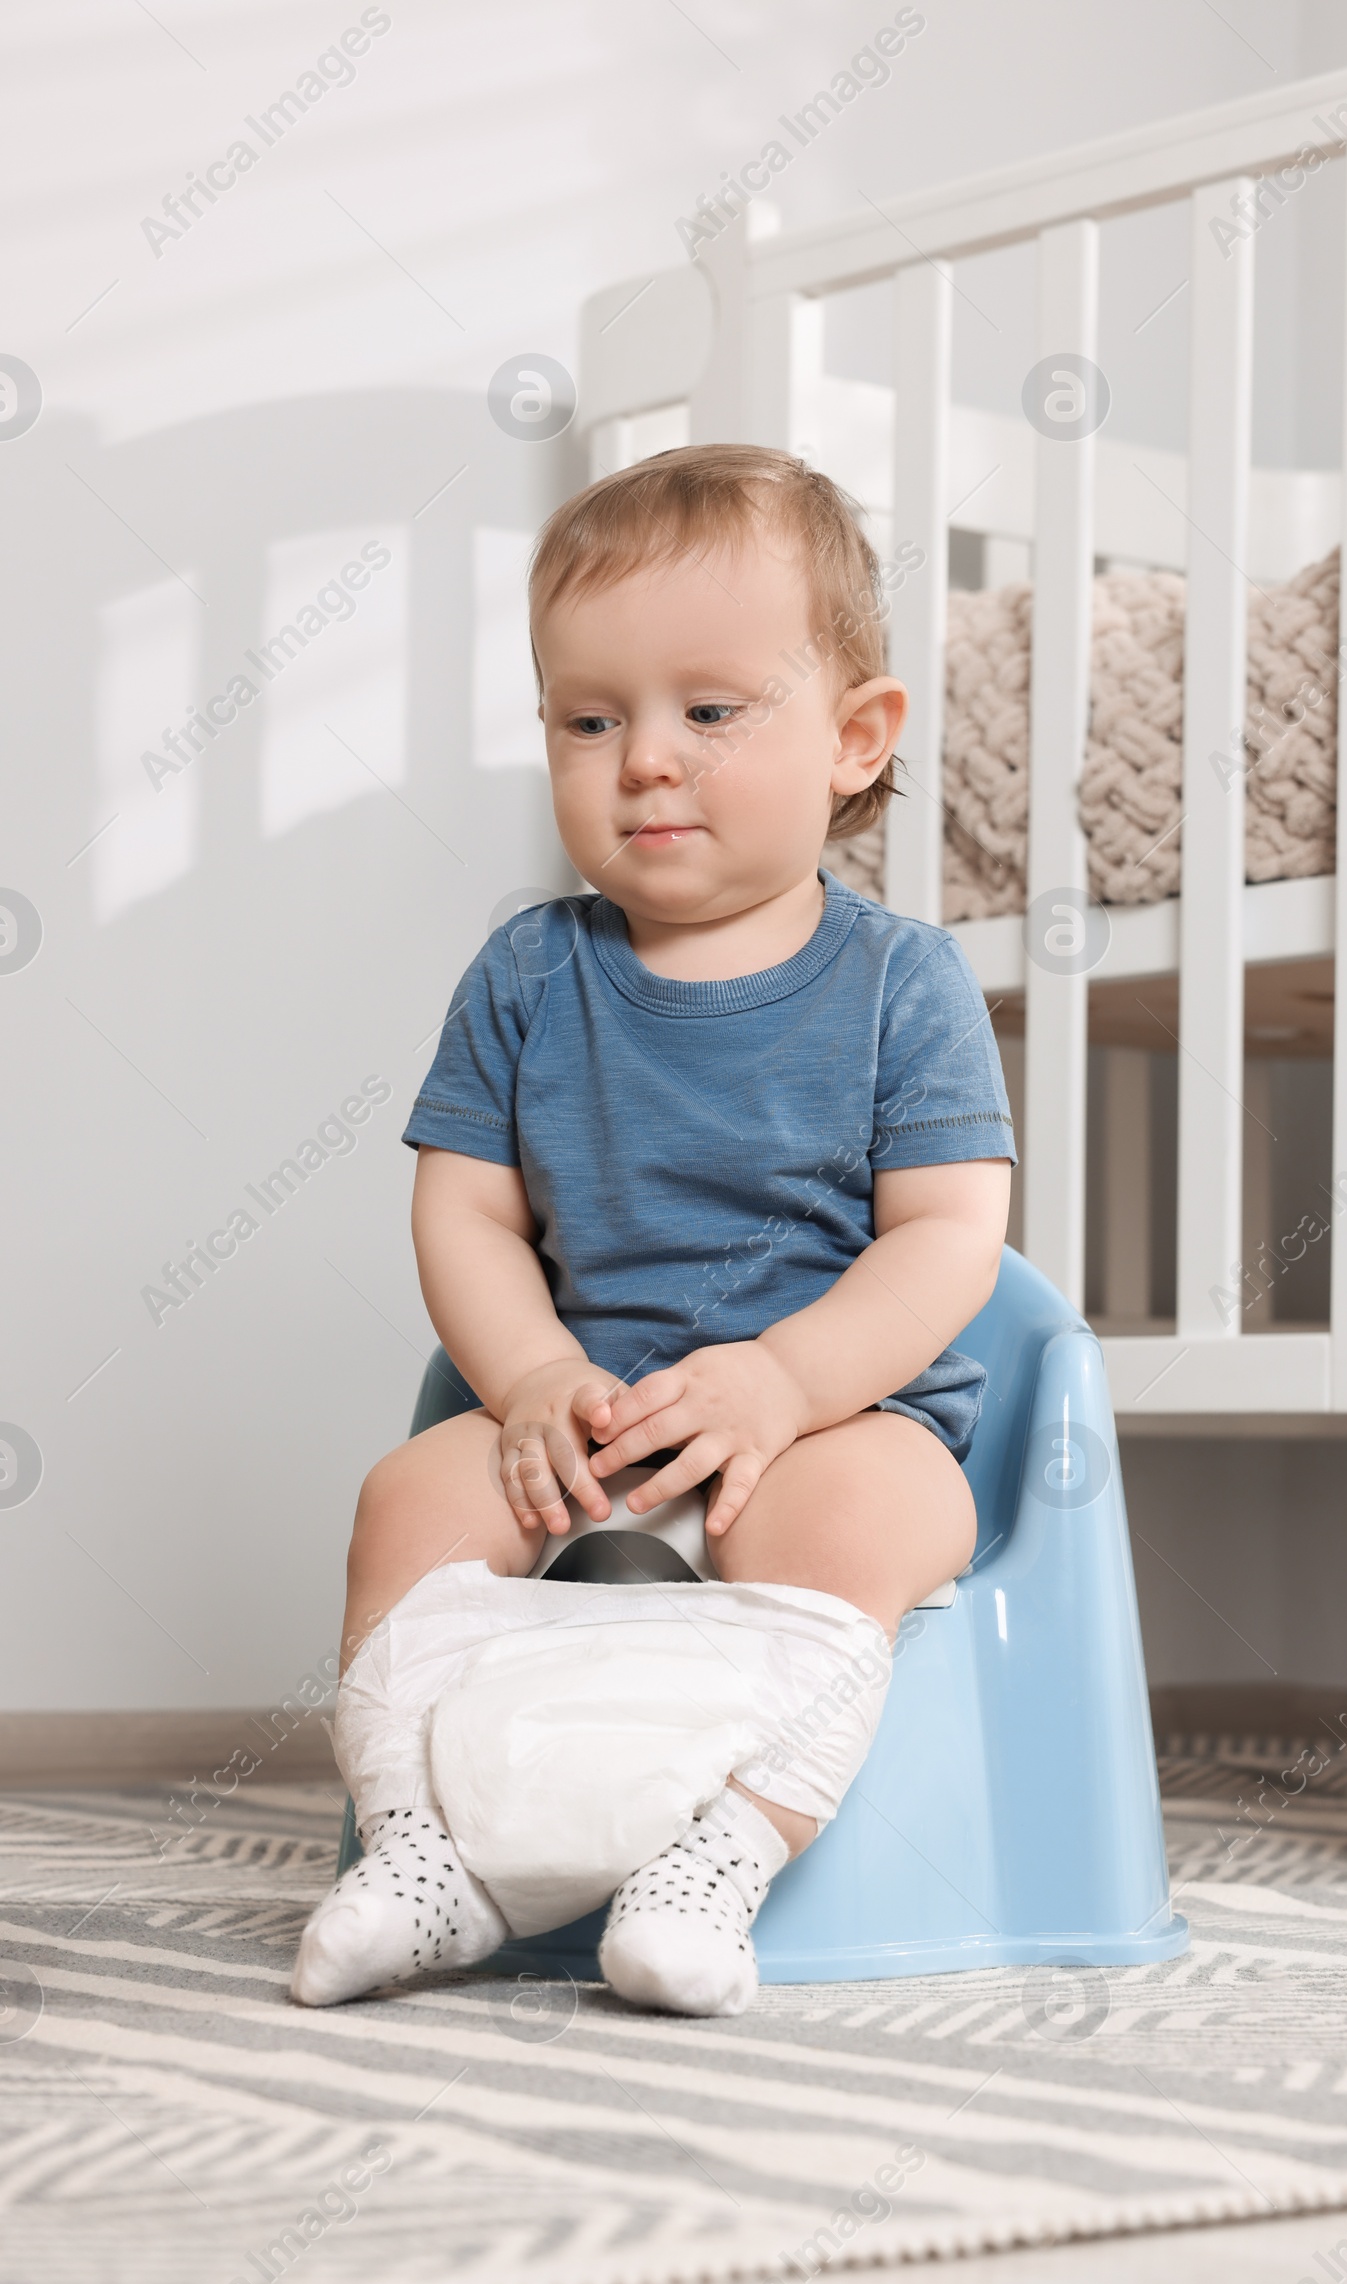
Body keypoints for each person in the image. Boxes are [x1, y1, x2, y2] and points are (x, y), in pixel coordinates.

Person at [291, 444, 1014, 2016]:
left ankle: (724, 1856)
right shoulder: (529, 976)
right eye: (591, 719)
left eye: (710, 709)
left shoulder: (904, 983)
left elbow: (951, 1239)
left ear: (855, 738)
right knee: (405, 1504)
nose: (644, 762)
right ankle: (426, 1858)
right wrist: (534, 1377)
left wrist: (785, 1382)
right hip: (584, 1419)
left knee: (840, 1527)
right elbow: (467, 1210)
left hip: (841, 1416)